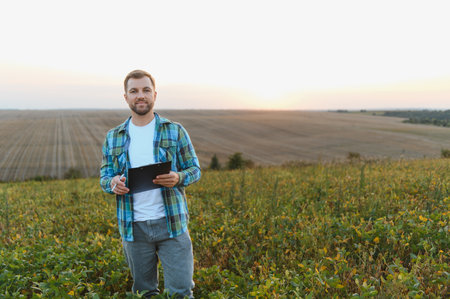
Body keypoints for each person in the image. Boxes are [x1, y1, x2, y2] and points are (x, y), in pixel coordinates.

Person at [100, 70, 201, 298]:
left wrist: (178, 178)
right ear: (126, 97)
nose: (140, 95)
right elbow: (105, 176)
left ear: (154, 94)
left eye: (146, 90)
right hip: (134, 228)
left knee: (181, 292)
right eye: (134, 91)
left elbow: (195, 170)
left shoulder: (175, 130)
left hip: (172, 225)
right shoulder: (114, 136)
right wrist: (113, 182)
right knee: (144, 293)